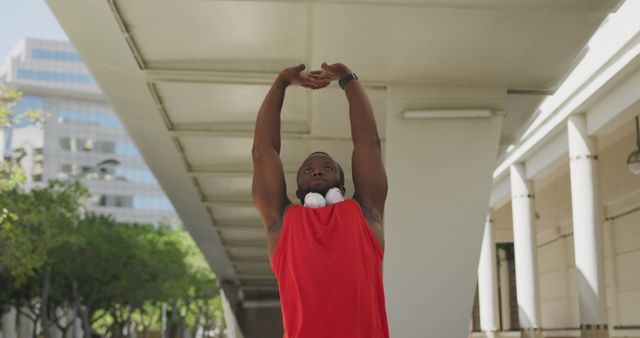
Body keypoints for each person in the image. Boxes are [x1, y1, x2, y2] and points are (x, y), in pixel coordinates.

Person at [252, 62, 389, 338]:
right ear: (300, 191)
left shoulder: (366, 214)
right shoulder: (280, 222)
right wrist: (280, 83)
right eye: (308, 169)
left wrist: (348, 79)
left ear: (341, 183)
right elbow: (263, 152)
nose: (317, 169)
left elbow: (368, 143)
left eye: (327, 168)